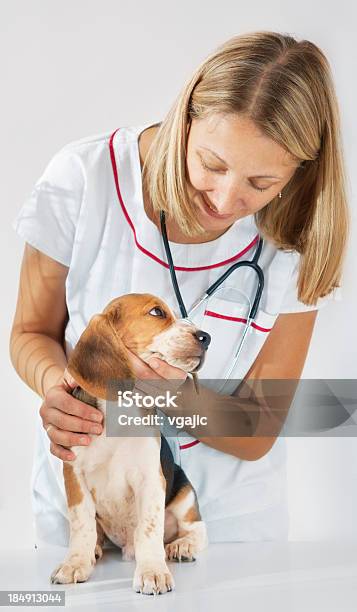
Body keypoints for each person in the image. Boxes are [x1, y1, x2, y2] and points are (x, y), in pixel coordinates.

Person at [10, 31, 349, 548]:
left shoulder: (300, 238)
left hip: (225, 533)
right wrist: (60, 389)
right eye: (212, 164)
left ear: (300, 171)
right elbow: (31, 331)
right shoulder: (85, 178)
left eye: (261, 183)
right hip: (85, 519)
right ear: (185, 118)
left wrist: (166, 396)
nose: (225, 197)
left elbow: (258, 430)